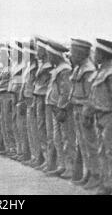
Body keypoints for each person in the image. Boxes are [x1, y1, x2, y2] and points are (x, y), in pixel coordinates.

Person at [83, 39, 112, 195]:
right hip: (101, 117)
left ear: (105, 54)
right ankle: (109, 185)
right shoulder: (102, 71)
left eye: (97, 52)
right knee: (105, 152)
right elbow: (94, 96)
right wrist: (89, 112)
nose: (95, 55)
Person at [69, 39, 99, 187]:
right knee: (82, 144)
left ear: (81, 53)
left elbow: (92, 95)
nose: (71, 55)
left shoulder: (88, 70)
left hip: (85, 111)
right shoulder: (78, 68)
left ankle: (95, 175)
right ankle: (89, 173)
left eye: (73, 52)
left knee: (91, 144)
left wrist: (88, 113)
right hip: (77, 109)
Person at [43, 40, 75, 179]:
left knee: (68, 138)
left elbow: (66, 91)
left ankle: (71, 168)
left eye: (49, 54)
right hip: (55, 108)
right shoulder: (58, 68)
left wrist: (61, 108)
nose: (48, 57)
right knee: (58, 138)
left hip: (62, 110)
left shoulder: (65, 69)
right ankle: (62, 166)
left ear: (55, 55)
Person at [33, 37, 54, 172]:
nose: (36, 52)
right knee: (40, 127)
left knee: (48, 129)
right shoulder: (41, 65)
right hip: (39, 97)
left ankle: (50, 160)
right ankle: (44, 157)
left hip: (46, 98)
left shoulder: (49, 66)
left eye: (38, 49)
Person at [20, 40, 40, 167]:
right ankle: (33, 155)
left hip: (33, 100)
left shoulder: (36, 66)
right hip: (27, 100)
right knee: (30, 129)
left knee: (35, 130)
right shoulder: (28, 66)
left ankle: (37, 157)